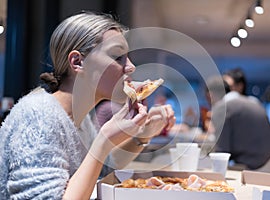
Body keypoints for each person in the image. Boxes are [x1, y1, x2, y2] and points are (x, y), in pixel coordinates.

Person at [0, 12, 176, 199]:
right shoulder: (37, 116)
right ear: (77, 62)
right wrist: (104, 139)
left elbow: (102, 167)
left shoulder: (79, 118)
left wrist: (143, 135)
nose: (131, 67)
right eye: (117, 57)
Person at [206, 76, 270, 170]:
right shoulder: (253, 102)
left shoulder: (221, 108)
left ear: (210, 95)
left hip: (255, 168)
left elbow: (222, 152)